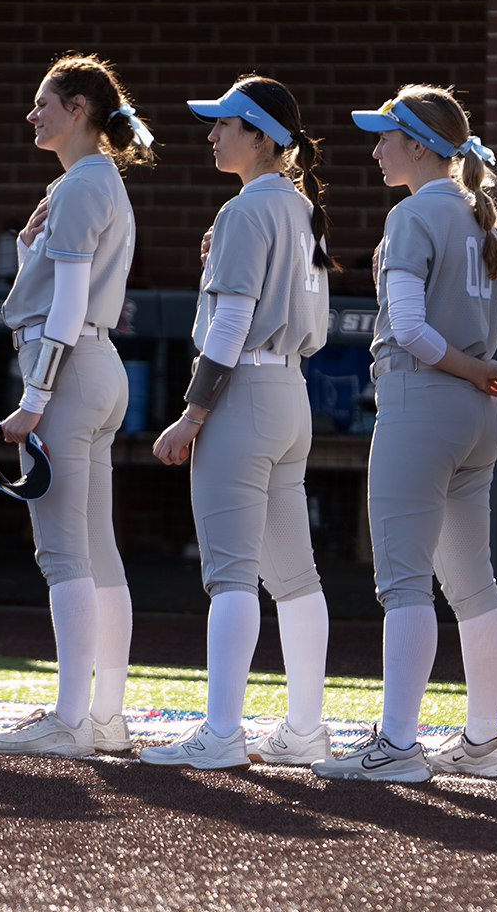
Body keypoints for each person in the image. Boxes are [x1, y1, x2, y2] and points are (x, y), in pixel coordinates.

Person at [311, 86, 497, 782]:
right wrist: (478, 371)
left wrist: (472, 368)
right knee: (473, 585)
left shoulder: (413, 213)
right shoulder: (474, 213)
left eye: (387, 137)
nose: (377, 150)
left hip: (424, 402)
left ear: (422, 145)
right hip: (476, 417)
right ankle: (481, 743)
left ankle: (398, 745)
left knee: (404, 583)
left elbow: (409, 330)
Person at [137, 76, 335, 770]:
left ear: (260, 135)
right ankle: (304, 729)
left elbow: (230, 323)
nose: (213, 134)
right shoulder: (301, 206)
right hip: (290, 394)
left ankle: (222, 732)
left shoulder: (246, 209)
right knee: (296, 578)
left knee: (231, 577)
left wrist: (193, 413)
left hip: (244, 395)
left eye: (226, 124)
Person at [0, 54, 149, 758]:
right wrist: (29, 250)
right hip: (95, 368)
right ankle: (102, 716)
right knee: (95, 548)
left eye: (44, 103)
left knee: (62, 552)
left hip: (69, 371)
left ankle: (72, 717)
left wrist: (35, 396)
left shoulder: (83, 182)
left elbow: (69, 304)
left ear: (78, 108)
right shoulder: (94, 179)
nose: (33, 115)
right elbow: (63, 291)